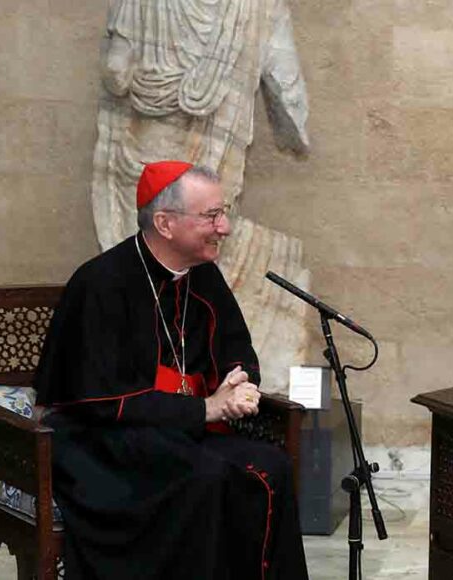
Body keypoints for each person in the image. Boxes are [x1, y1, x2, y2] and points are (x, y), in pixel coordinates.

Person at [35, 161, 309, 580]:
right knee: (204, 478)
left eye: (223, 213)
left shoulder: (204, 277)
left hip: (181, 432)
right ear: (165, 223)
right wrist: (206, 409)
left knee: (272, 466)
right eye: (211, 216)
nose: (224, 228)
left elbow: (236, 348)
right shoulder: (101, 283)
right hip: (104, 442)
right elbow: (99, 401)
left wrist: (238, 382)